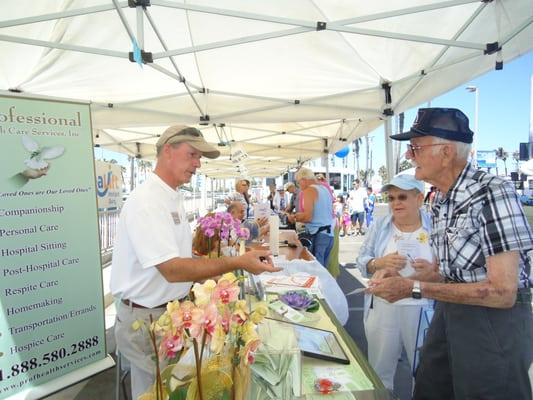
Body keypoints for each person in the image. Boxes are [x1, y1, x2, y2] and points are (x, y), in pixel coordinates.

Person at [368, 108, 533, 400]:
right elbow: (454, 273)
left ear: (445, 152)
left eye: (416, 148)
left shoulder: (492, 192)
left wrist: (414, 287)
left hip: (493, 320)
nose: (409, 156)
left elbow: (503, 291)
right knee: (430, 388)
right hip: (451, 310)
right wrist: (411, 275)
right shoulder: (442, 199)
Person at [109, 125, 281, 400]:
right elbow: (173, 269)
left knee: (168, 390)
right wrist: (236, 262)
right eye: (192, 155)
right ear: (168, 150)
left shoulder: (171, 196)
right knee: (157, 393)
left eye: (199, 157)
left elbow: (181, 259)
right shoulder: (148, 201)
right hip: (146, 319)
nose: (198, 164)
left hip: (162, 314)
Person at [356, 174, 434, 391]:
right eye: (391, 198)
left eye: (402, 197)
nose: (395, 203)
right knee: (379, 373)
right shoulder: (381, 225)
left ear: (419, 199)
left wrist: (433, 270)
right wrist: (378, 263)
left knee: (426, 373)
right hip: (383, 307)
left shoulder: (435, 225)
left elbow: (448, 268)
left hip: (422, 308)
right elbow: (362, 261)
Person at [287, 167, 335, 267]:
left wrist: (294, 218)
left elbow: (308, 217)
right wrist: (298, 215)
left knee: (316, 271)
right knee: (323, 270)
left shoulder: (309, 190)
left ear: (303, 180)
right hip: (329, 234)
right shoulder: (324, 189)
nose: (299, 186)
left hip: (318, 235)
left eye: (298, 183)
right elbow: (320, 212)